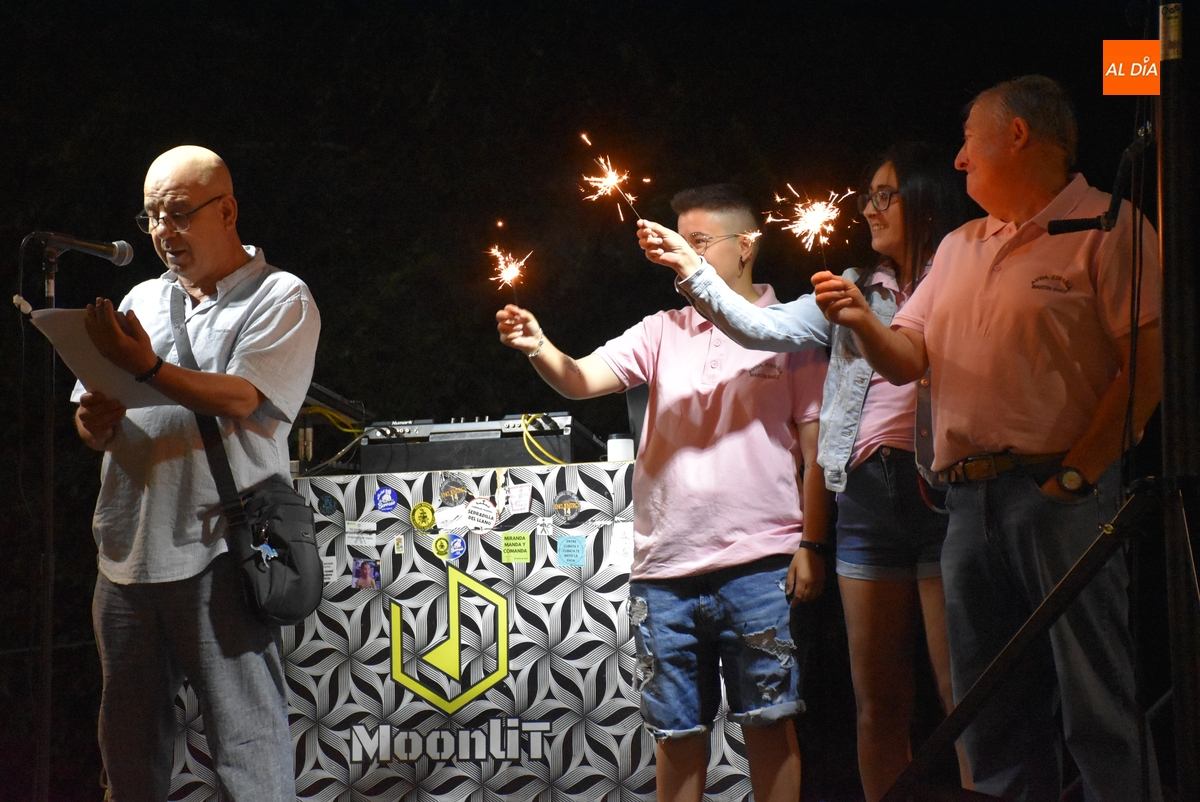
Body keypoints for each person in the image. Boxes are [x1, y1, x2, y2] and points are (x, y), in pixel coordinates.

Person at [810, 76, 1162, 801]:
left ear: (1018, 136)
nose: (961, 161)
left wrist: (1076, 476)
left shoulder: (1110, 227)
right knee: (989, 714)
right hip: (966, 508)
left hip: (1060, 499)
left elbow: (1147, 370)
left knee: (1095, 705)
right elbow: (908, 360)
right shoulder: (962, 246)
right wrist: (862, 322)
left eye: (970, 139)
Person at [637, 143, 974, 800]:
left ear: (927, 199)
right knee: (877, 700)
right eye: (867, 195)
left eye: (885, 194)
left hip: (943, 487)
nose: (869, 207)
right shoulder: (855, 281)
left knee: (958, 687)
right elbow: (755, 325)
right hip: (869, 500)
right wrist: (691, 271)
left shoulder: (960, 271)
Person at [496, 184, 830, 802]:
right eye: (678, 240)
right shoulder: (660, 330)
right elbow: (580, 379)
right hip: (665, 570)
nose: (679, 252)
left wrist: (812, 542)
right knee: (676, 736)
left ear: (747, 245)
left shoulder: (790, 331)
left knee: (770, 726)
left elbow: (818, 452)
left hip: (760, 565)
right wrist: (540, 346)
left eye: (698, 242)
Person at [72, 145, 320, 801]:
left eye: (179, 213)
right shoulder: (140, 300)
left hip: (221, 550)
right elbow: (89, 415)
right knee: (127, 756)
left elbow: (242, 396)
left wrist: (149, 369)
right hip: (125, 558)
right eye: (152, 216)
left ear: (227, 209)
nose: (163, 232)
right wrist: (93, 420)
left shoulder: (280, 295)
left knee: (248, 749)